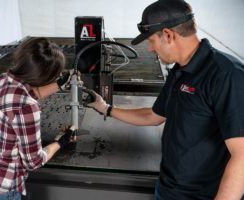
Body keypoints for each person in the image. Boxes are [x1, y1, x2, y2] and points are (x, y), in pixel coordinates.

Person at [87, 0, 244, 199]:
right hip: (167, 189)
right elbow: (153, 116)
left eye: (151, 41)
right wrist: (105, 108)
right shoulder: (179, 70)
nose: (151, 49)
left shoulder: (227, 75)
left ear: (168, 35)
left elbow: (242, 155)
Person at [0, 37, 75, 199]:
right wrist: (60, 142)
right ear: (43, 76)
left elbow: (30, 94)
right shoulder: (27, 107)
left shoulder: (3, 80)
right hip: (5, 190)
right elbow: (33, 162)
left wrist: (60, 84)